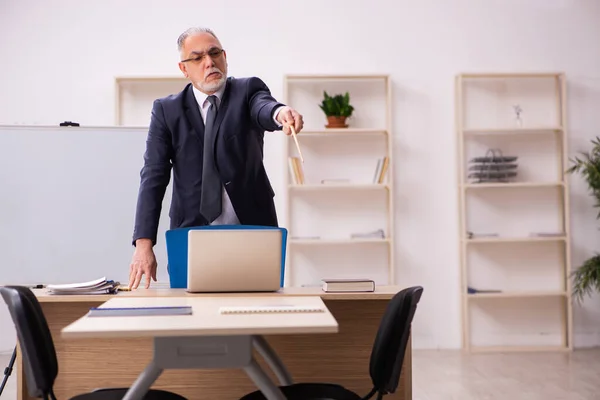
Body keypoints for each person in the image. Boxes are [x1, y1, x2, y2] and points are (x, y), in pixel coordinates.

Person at [128, 27, 304, 289]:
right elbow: (153, 176)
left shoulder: (247, 90)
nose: (209, 62)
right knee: (191, 320)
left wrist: (280, 113)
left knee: (258, 312)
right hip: (190, 235)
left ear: (224, 56)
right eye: (197, 58)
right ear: (183, 69)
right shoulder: (167, 110)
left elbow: (263, 107)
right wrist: (144, 244)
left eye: (214, 53)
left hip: (253, 230)